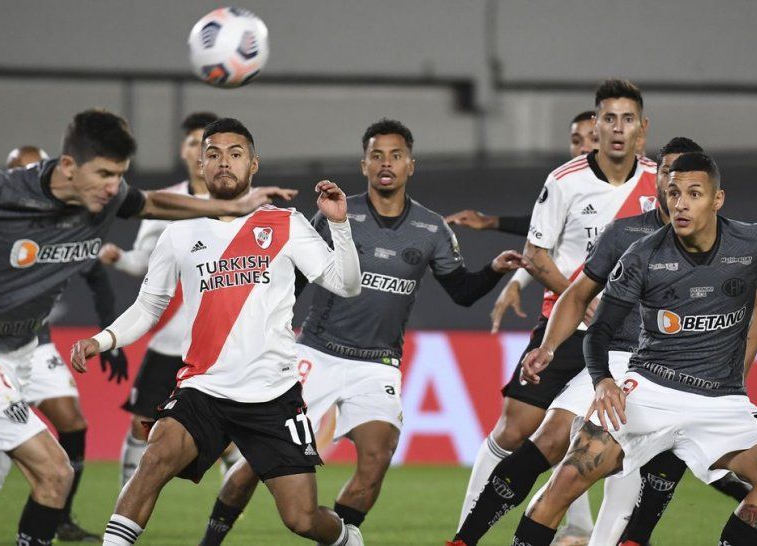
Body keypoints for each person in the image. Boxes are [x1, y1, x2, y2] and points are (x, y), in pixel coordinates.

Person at [0, 109, 295, 546]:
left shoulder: (107, 196)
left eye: (120, 175)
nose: (114, 187)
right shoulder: (9, 189)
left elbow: (153, 202)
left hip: (18, 358)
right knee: (55, 473)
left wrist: (229, 205)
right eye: (104, 175)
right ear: (69, 165)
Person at [198, 118, 524, 546]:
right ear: (364, 164)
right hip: (316, 354)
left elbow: (462, 292)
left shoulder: (431, 228)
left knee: (375, 461)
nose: (386, 163)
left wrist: (494, 271)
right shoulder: (337, 213)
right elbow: (294, 281)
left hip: (377, 365)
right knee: (254, 465)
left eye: (396, 155)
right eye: (377, 155)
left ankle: (341, 539)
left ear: (410, 165)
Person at [509, 152, 757, 546]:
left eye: (694, 194)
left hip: (720, 399)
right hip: (650, 390)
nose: (681, 204)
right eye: (673, 193)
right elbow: (599, 331)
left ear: (717, 199)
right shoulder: (642, 255)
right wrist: (603, 381)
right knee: (567, 478)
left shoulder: (755, 243)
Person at [70, 118, 364, 546]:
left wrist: (340, 225)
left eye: (235, 153)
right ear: (201, 166)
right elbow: (148, 306)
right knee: (153, 461)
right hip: (203, 389)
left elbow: (346, 284)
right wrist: (101, 340)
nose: (224, 162)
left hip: (272, 395)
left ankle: (345, 539)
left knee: (302, 520)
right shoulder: (178, 233)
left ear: (253, 165)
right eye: (213, 154)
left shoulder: (286, 223)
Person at [455, 79, 657, 546]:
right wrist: (581, 300)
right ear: (597, 124)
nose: (618, 129)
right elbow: (536, 254)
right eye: (609, 119)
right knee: (514, 430)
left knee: (632, 443)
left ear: (642, 128)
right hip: (567, 326)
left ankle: (589, 533)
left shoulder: (659, 180)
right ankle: (466, 530)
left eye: (627, 119)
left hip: (635, 337)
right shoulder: (565, 181)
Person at [0, 144, 129, 541]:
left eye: (37, 167)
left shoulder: (72, 220)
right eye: (22, 169)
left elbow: (97, 277)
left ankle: (61, 514)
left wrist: (112, 337)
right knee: (51, 471)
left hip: (33, 346)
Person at [98, 111, 241, 487]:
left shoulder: (240, 203)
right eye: (193, 143)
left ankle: (230, 497)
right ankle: (126, 497)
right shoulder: (163, 202)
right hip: (170, 339)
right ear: (184, 150)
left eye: (207, 146)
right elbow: (142, 261)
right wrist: (121, 258)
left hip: (217, 339)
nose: (199, 151)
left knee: (227, 427)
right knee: (142, 421)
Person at [444, 111, 597, 237]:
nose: (583, 148)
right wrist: (488, 221)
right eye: (576, 141)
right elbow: (545, 225)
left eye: (595, 139)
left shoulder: (612, 189)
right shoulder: (566, 186)